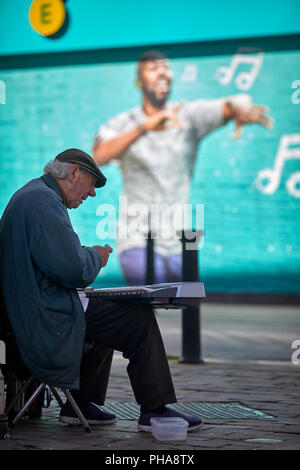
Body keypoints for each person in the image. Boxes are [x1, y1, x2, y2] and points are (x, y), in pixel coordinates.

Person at [0, 148, 202, 431]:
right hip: (40, 318)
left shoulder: (35, 195)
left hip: (28, 309)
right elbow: (73, 268)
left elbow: (55, 259)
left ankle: (79, 404)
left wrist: (85, 256)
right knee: (136, 319)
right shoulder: (44, 202)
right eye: (92, 183)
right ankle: (155, 410)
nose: (92, 193)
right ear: (73, 173)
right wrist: (96, 256)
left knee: (106, 309)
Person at [93, 50, 273, 286]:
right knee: (145, 307)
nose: (162, 72)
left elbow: (232, 103)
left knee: (189, 307)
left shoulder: (190, 116)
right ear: (139, 81)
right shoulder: (124, 123)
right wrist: (144, 128)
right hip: (137, 237)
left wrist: (240, 107)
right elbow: (98, 156)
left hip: (179, 239)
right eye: (153, 68)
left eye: (165, 68)